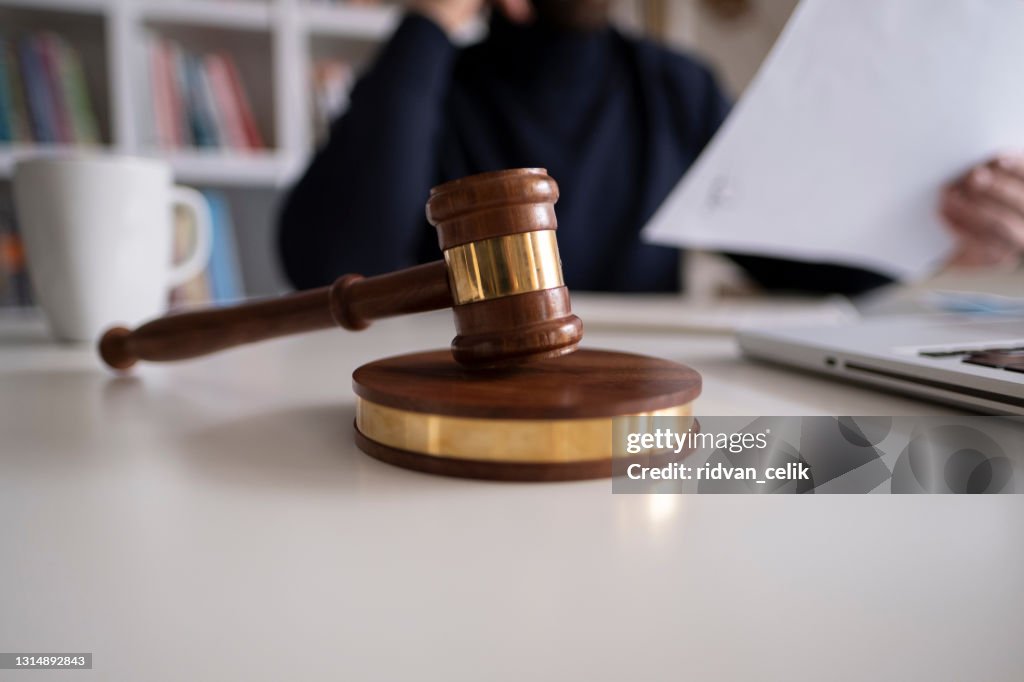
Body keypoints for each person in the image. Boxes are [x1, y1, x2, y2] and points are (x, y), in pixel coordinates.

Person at [278, 0, 1024, 294]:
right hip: (455, 417)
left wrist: (938, 231)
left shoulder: (674, 88)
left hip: (635, 435)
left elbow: (791, 249)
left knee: (856, 466)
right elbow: (332, 268)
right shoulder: (427, 87)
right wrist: (429, 17)